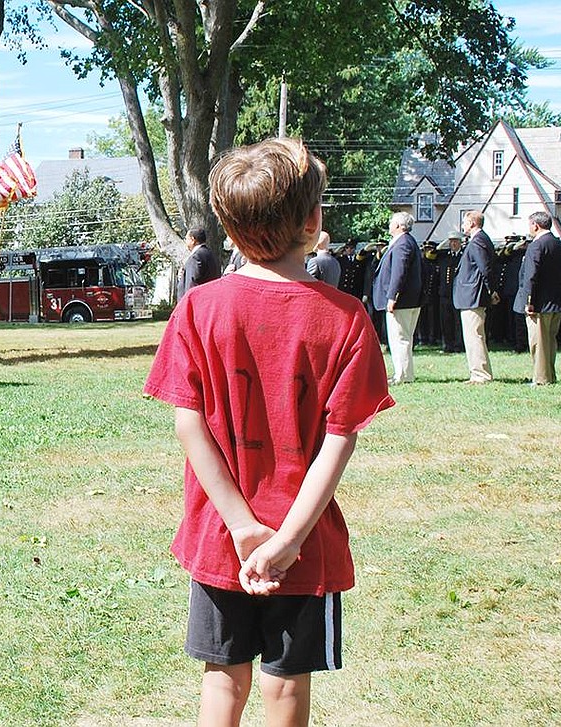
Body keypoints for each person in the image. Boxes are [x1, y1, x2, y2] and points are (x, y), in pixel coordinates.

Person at [144, 138, 393, 727]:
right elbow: (340, 439)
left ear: (227, 228)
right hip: (303, 544)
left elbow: (189, 423)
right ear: (313, 221)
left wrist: (240, 526)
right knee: (287, 685)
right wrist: (287, 540)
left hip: (219, 536)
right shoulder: (346, 318)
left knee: (223, 679)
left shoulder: (199, 309)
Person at [513, 211, 561, 385]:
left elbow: (531, 276)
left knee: (538, 343)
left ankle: (541, 379)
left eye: (530, 225)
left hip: (540, 303)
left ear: (535, 225)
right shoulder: (557, 244)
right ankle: (549, 375)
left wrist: (529, 302)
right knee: (550, 343)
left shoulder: (537, 245)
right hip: (555, 301)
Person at [373, 211, 423, 384]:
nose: (390, 225)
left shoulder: (402, 243)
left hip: (401, 301)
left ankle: (401, 375)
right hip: (409, 300)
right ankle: (406, 374)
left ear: (400, 226)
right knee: (404, 339)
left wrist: (392, 296)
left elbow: (398, 272)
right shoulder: (408, 242)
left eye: (392, 222)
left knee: (399, 338)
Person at [454, 211, 498, 383]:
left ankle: (481, 374)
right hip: (471, 294)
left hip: (473, 294)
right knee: (473, 334)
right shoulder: (478, 239)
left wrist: (491, 290)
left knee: (474, 335)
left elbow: (485, 268)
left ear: (472, 223)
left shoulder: (478, 240)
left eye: (464, 222)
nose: (462, 225)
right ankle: (477, 372)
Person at [436, 233, 463, 354]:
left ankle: (458, 345)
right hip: (445, 294)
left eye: (456, 241)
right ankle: (447, 344)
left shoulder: (462, 257)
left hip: (457, 294)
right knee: (445, 321)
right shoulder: (444, 257)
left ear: (460, 243)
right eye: (451, 241)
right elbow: (435, 252)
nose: (453, 244)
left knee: (457, 321)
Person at [177, 227, 220, 299]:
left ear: (193, 240)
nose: (185, 242)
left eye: (186, 239)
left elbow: (192, 283)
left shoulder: (196, 256)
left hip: (195, 301)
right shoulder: (210, 254)